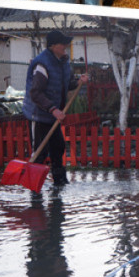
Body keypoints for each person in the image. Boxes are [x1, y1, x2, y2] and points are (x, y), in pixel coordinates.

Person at [22, 30, 89, 188]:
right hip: (38, 115)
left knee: (58, 147)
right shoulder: (42, 64)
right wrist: (53, 109)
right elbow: (36, 93)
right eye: (63, 43)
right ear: (53, 46)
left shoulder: (63, 62)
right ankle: (33, 190)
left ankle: (59, 182)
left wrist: (79, 81)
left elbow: (67, 84)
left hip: (53, 115)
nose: (66, 46)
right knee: (40, 153)